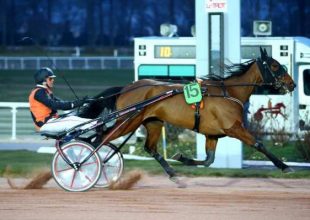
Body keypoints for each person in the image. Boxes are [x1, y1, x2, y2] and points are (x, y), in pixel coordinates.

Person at [28, 67, 96, 134]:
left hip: (50, 121)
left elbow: (61, 102)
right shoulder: (39, 92)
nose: (53, 80)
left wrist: (80, 102)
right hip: (44, 124)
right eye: (50, 78)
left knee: (73, 118)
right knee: (72, 121)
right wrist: (75, 104)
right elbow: (55, 104)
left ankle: (96, 124)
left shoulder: (45, 91)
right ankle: (97, 126)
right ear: (44, 81)